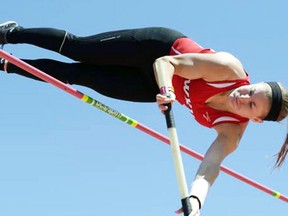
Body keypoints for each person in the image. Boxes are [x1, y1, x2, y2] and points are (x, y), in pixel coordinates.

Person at [0, 21, 287, 216]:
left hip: (152, 88)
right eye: (251, 91)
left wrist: (196, 200)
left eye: (250, 106)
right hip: (155, 49)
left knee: (78, 76)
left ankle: (5, 64)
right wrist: (167, 89)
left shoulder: (232, 132)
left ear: (256, 120)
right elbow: (166, 64)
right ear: (254, 81)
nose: (242, 97)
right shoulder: (227, 69)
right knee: (80, 49)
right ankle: (11, 32)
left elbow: (209, 168)